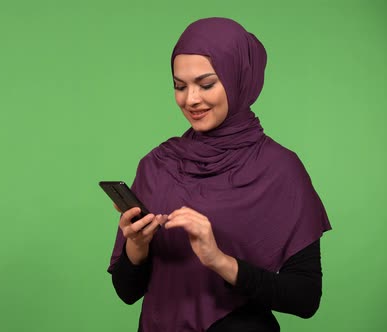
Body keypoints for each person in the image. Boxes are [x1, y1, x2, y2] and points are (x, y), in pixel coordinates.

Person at [107, 17, 332, 332]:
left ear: (239, 77)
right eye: (179, 86)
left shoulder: (280, 169)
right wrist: (137, 245)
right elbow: (126, 291)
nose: (191, 99)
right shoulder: (158, 165)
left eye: (207, 83)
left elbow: (306, 298)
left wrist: (219, 261)